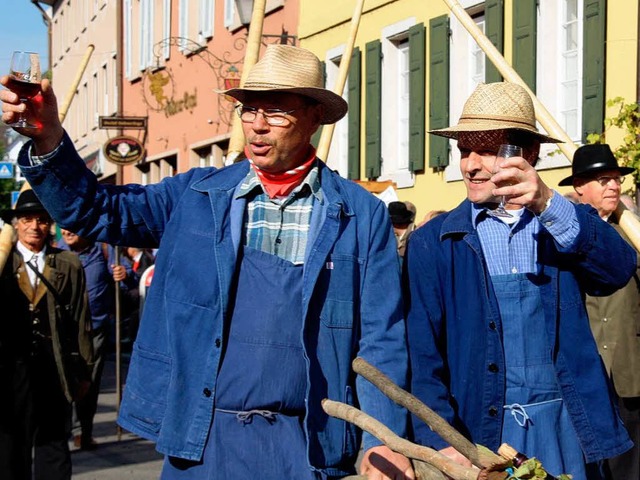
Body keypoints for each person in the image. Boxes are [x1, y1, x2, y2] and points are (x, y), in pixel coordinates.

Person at [1, 44, 413, 480]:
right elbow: (96, 210)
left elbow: (380, 340)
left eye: (275, 112)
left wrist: (382, 443)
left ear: (314, 117)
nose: (256, 126)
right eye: (248, 110)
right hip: (201, 437)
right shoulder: (195, 196)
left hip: (307, 443)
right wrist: (48, 139)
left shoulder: (358, 214)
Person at [403, 82, 635, 480]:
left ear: (527, 154)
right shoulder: (436, 241)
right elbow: (422, 354)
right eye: (464, 151)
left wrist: (548, 203)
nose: (470, 165)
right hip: (482, 436)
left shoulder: (560, 226)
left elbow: (616, 270)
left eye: (487, 150)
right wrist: (441, 439)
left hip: (568, 428)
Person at [559, 143, 640, 479]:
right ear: (580, 187)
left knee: (631, 464)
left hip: (629, 366)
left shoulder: (633, 233)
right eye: (603, 179)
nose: (613, 186)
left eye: (616, 179)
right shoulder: (563, 233)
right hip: (585, 367)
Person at [0, 190, 93, 480]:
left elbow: (81, 320)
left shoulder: (68, 263)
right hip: (10, 371)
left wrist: (85, 371)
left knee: (53, 446)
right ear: (16, 224)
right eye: (27, 219)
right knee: (9, 448)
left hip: (54, 369)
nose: (34, 227)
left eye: (41, 220)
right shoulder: (3, 262)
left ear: (50, 225)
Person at [59, 229, 114, 450]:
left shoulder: (104, 249)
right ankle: (64, 431)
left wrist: (124, 275)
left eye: (71, 225)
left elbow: (127, 282)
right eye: (62, 225)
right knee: (64, 379)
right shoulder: (56, 252)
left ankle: (84, 431)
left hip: (95, 328)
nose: (66, 230)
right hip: (65, 330)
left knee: (88, 382)